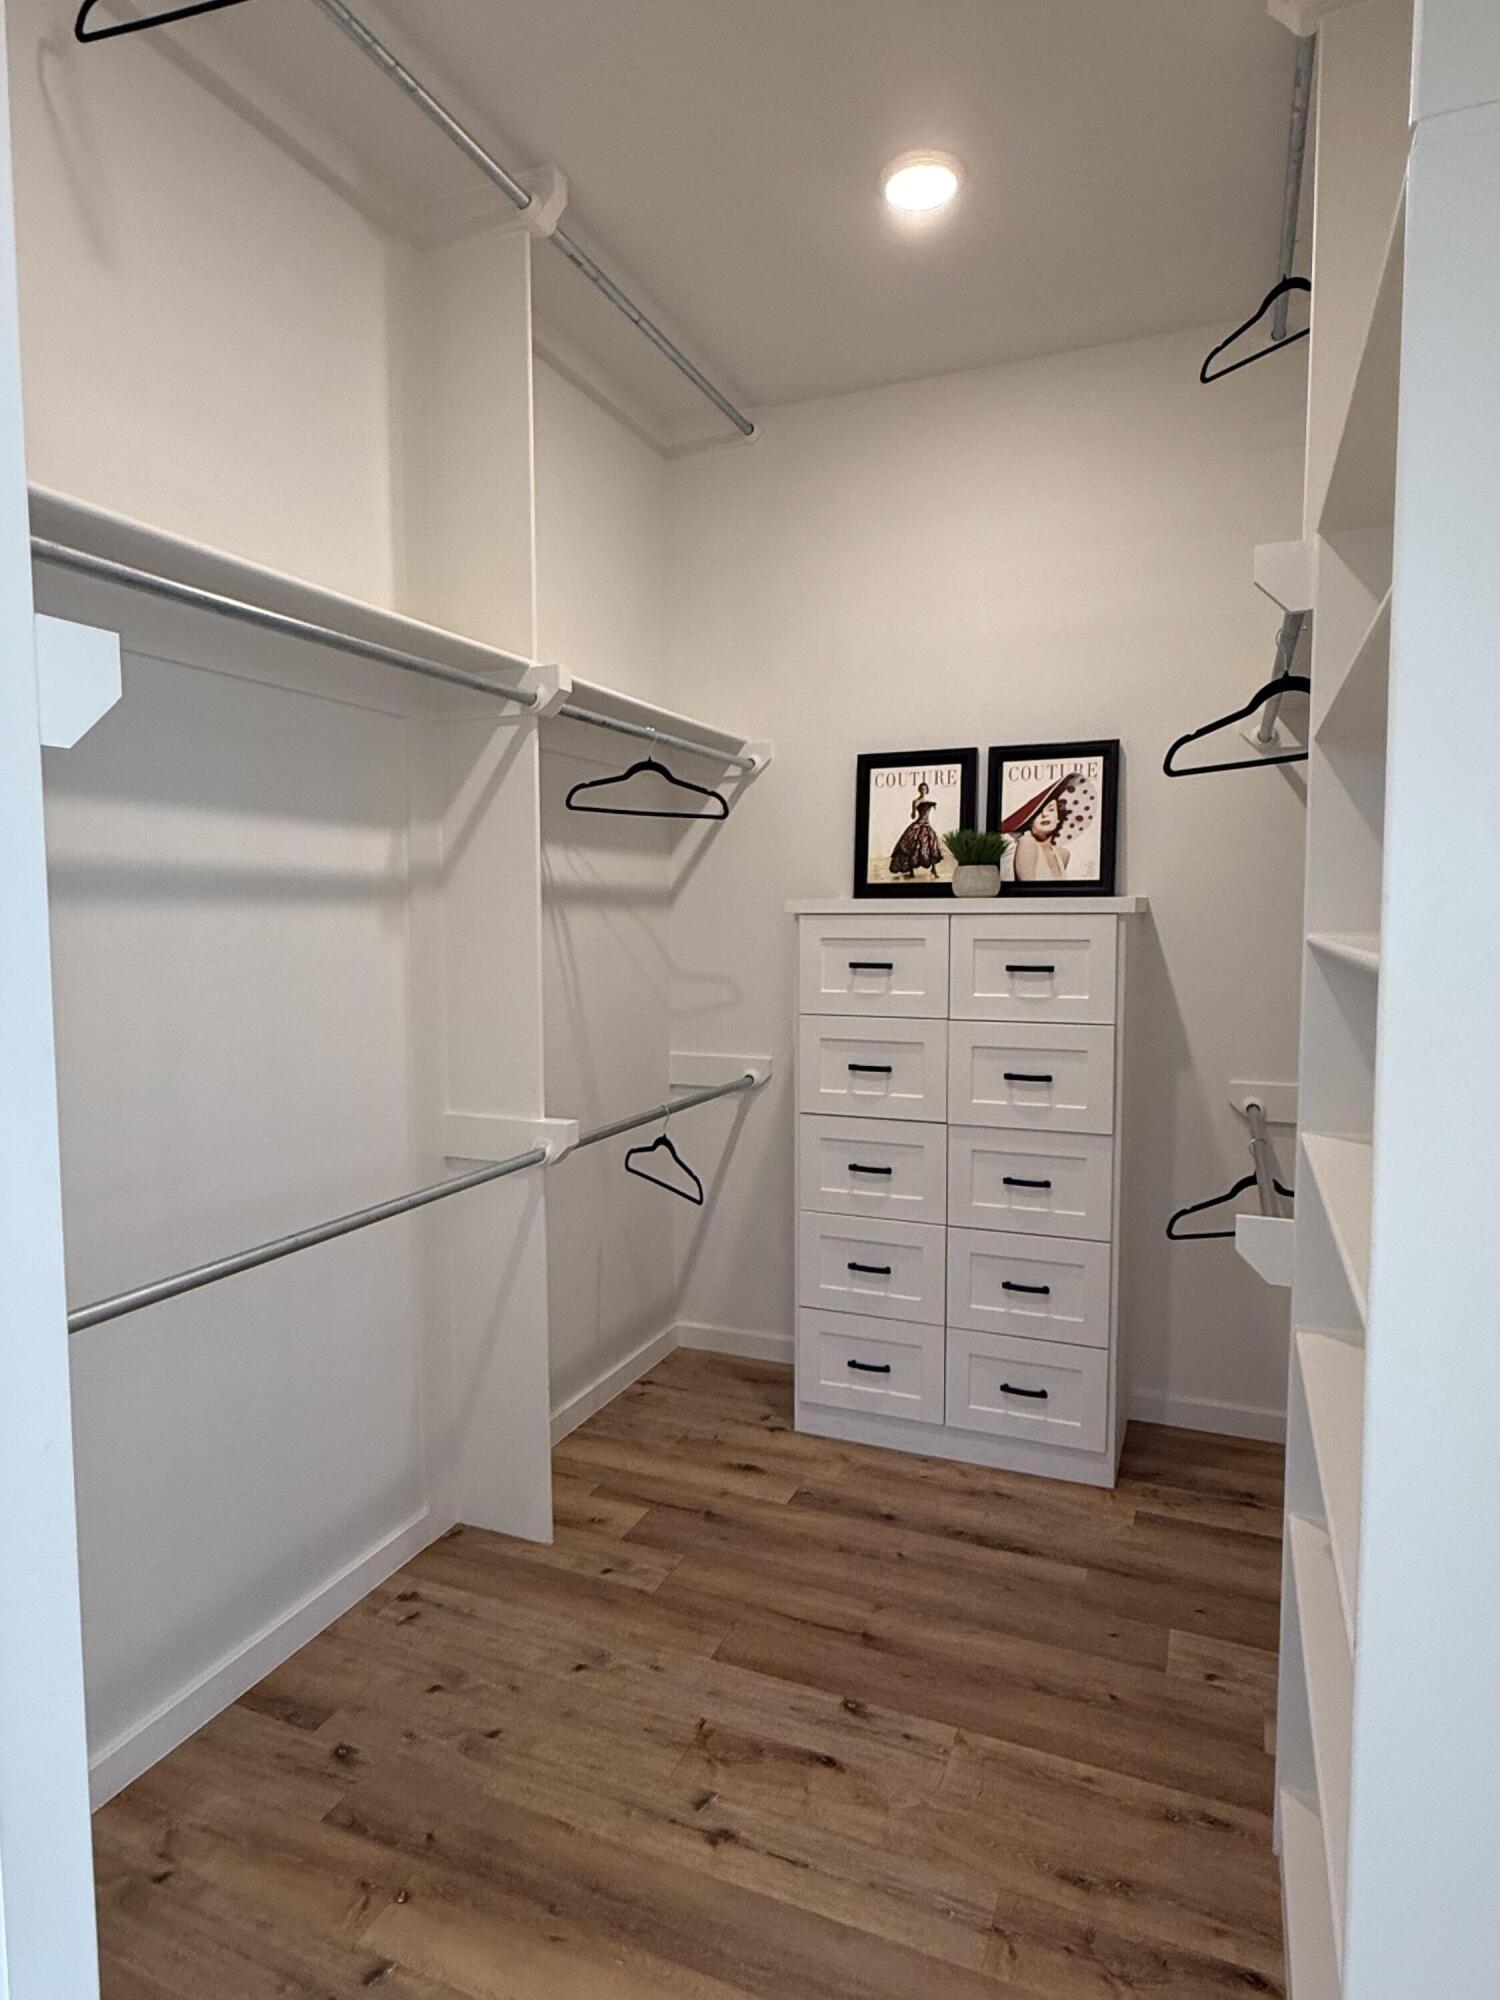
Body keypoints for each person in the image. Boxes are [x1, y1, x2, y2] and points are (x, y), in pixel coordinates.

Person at [1003, 775, 1079, 881]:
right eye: (1038, 812)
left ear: (1058, 818)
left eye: (1051, 810)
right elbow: (1027, 888)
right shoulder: (1027, 841)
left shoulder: (1063, 854)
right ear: (1030, 820)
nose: (1044, 814)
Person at [889, 781, 944, 879]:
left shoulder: (929, 801)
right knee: (912, 845)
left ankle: (934, 869)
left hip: (927, 825)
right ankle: (911, 871)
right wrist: (914, 809)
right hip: (918, 825)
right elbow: (913, 816)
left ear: (927, 790)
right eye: (922, 789)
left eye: (925, 789)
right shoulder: (915, 801)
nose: (923, 790)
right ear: (919, 790)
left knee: (932, 846)